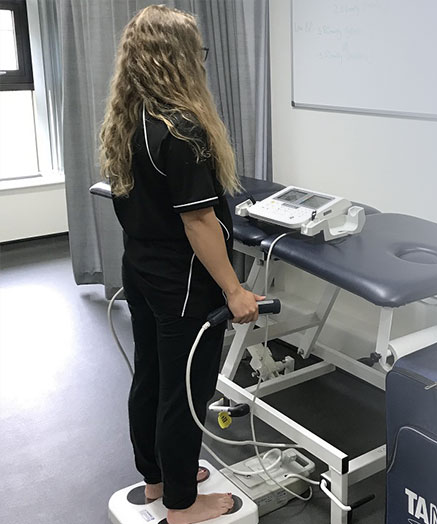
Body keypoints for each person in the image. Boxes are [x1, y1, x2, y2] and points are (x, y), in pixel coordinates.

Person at [98, 6, 261, 523]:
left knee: (150, 377)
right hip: (184, 283)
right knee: (185, 388)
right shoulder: (183, 128)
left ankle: (157, 480)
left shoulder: (128, 118)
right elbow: (199, 223)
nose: (203, 63)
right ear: (179, 59)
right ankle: (182, 506)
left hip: (141, 271)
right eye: (198, 53)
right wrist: (236, 290)